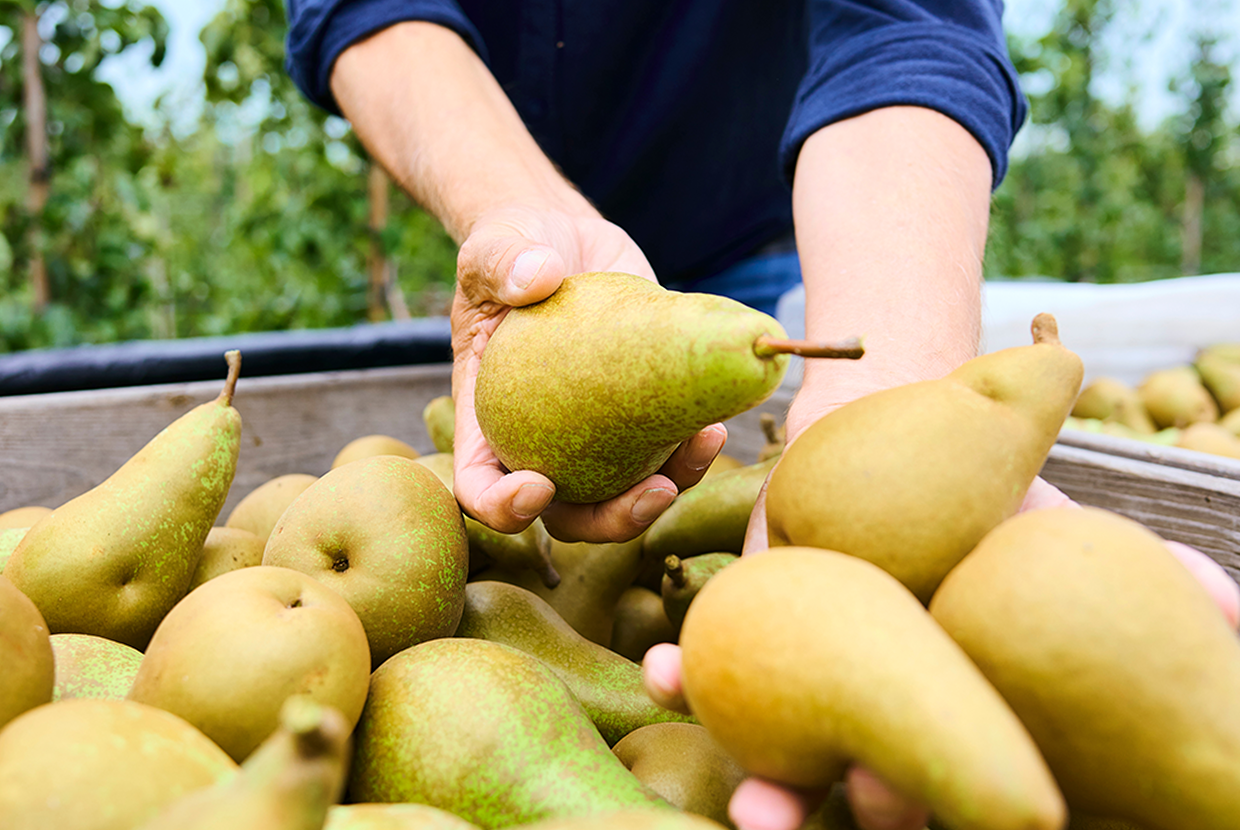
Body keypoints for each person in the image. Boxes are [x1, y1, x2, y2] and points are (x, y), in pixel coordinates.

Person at [284, 4, 1240, 829]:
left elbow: (905, 22)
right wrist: (520, 214)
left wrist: (887, 390)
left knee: (764, 363)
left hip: (778, 227)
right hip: (532, 257)